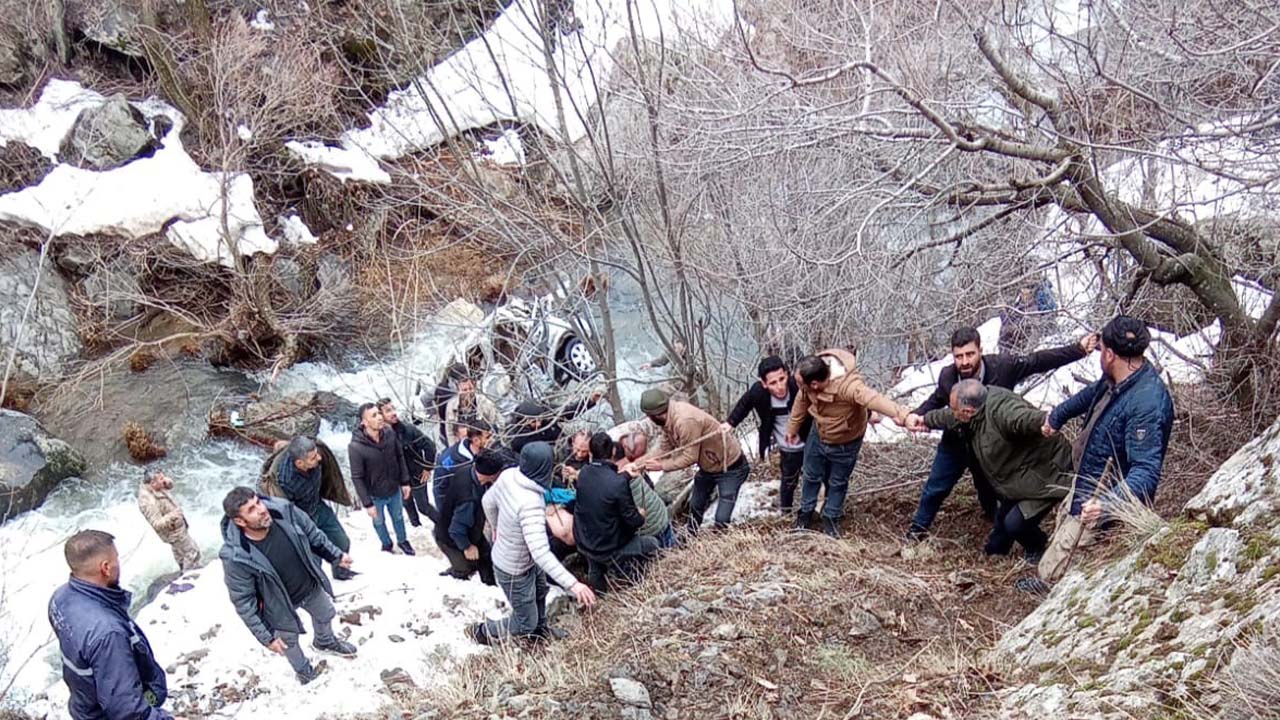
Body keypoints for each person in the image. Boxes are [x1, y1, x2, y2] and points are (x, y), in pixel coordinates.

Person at [1024, 316, 1174, 593]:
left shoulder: (1147, 402)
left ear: (1109, 354)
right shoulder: (1116, 379)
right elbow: (1087, 396)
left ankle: (1051, 597)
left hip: (1105, 496)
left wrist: (1106, 504)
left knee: (1069, 555)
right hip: (1088, 479)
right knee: (1062, 531)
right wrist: (1056, 417)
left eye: (1100, 349)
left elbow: (1146, 470)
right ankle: (1047, 582)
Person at [906, 326, 1096, 540]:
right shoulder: (948, 376)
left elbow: (1037, 361)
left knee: (990, 489)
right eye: (958, 357)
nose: (964, 362)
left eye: (970, 354)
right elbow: (938, 400)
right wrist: (918, 415)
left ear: (980, 350)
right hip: (958, 439)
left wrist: (1078, 350)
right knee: (936, 486)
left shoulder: (1002, 367)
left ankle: (1000, 532)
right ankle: (916, 532)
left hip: (994, 444)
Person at [916, 381, 1070, 562]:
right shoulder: (973, 412)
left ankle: (1037, 548)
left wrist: (1046, 421)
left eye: (955, 409)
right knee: (996, 544)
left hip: (1046, 474)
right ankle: (997, 554)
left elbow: (1023, 419)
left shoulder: (1001, 412)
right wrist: (923, 419)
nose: (953, 412)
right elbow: (947, 417)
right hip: (1018, 479)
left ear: (967, 411)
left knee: (1014, 524)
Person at [220, 487, 357, 685]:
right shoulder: (236, 556)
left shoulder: (283, 511)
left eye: (258, 502)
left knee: (326, 614)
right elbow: (243, 600)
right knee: (288, 643)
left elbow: (312, 534)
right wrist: (267, 638)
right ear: (240, 522)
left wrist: (335, 556)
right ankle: (303, 670)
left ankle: (324, 641)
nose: (261, 509)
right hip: (277, 606)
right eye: (251, 509)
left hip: (307, 585)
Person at [471, 442, 597, 645]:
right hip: (514, 568)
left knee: (540, 593)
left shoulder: (509, 475)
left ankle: (540, 633)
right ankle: (483, 631)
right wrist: (573, 584)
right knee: (524, 622)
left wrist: (495, 528)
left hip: (523, 557)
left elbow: (488, 501)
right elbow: (541, 553)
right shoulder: (530, 504)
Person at [49, 530, 182, 720]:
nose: (118, 564)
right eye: (116, 559)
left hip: (84, 704)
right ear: (105, 568)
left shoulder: (60, 598)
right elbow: (126, 710)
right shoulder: (108, 633)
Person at [786, 349, 913, 538]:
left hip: (846, 440)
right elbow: (800, 402)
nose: (797, 386)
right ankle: (805, 515)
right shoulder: (807, 386)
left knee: (837, 482)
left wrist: (903, 415)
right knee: (811, 477)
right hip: (819, 433)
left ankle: (831, 518)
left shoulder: (849, 387)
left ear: (815, 384)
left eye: (799, 383)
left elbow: (874, 399)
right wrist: (792, 428)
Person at [635, 389, 749, 535]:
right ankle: (691, 536)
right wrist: (638, 464)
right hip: (708, 468)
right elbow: (664, 448)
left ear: (654, 415)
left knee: (721, 519)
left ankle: (720, 543)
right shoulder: (668, 419)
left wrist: (662, 466)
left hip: (730, 467)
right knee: (696, 505)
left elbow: (689, 457)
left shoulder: (684, 421)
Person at [722, 356, 812, 513]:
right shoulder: (758, 393)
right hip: (788, 449)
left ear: (787, 374)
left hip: (810, 442)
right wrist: (730, 423)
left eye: (782, 379)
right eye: (773, 383)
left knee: (816, 477)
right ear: (764, 384)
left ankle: (813, 511)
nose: (780, 386)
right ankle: (786, 512)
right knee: (789, 482)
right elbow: (744, 405)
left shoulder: (798, 386)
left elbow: (828, 396)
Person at [574, 433, 660, 592]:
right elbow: (633, 520)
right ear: (613, 452)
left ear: (591, 453)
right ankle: (638, 584)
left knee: (595, 568)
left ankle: (599, 598)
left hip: (585, 541)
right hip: (609, 547)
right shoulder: (617, 484)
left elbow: (605, 483)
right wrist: (640, 515)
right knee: (652, 544)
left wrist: (625, 475)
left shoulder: (584, 472)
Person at [272, 437, 356, 580]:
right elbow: (287, 508)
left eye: (316, 454)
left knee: (342, 541)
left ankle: (341, 571)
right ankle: (318, 585)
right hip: (302, 517)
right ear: (299, 463)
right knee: (314, 556)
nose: (319, 458)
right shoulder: (286, 480)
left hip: (317, 505)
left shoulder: (312, 458)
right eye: (313, 458)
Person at [348, 402, 414, 555]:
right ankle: (386, 544)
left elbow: (399, 456)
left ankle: (403, 541)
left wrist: (405, 482)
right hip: (375, 494)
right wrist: (367, 503)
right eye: (374, 415)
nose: (379, 418)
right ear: (364, 422)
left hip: (394, 488)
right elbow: (357, 477)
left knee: (398, 516)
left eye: (379, 413)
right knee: (378, 521)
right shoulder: (356, 447)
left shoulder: (389, 433)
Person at [434, 450, 506, 584]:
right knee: (466, 567)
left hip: (471, 527)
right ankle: (455, 574)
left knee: (485, 555)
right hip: (450, 537)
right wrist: (467, 547)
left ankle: (489, 585)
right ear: (490, 475)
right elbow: (456, 529)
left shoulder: (468, 469)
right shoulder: (469, 498)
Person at [379, 397, 438, 527]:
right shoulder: (379, 436)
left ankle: (443, 525)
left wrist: (427, 467)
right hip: (398, 479)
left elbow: (430, 446)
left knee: (423, 507)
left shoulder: (408, 430)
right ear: (380, 416)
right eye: (388, 411)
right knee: (408, 505)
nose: (393, 413)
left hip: (416, 475)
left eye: (393, 409)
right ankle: (417, 527)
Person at [137, 469, 201, 572]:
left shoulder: (155, 485)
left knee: (180, 553)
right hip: (173, 532)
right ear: (153, 483)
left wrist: (167, 482)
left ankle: (183, 570)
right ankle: (189, 575)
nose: (164, 480)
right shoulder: (148, 502)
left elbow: (168, 486)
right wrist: (173, 515)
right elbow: (156, 523)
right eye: (161, 479)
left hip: (177, 527)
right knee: (193, 552)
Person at [507, 392, 603, 454]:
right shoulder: (518, 438)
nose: (538, 424)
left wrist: (590, 401)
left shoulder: (546, 412)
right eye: (533, 422)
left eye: (540, 420)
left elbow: (567, 411)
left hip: (563, 444)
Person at [433, 421, 494, 518]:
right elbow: (440, 489)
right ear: (476, 440)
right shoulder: (450, 461)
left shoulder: (487, 453)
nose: (491, 440)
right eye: (487, 438)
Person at [445, 375, 500, 443]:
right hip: (461, 445)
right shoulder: (451, 406)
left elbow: (496, 425)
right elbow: (449, 432)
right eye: (464, 390)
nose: (468, 392)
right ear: (458, 391)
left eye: (470, 389)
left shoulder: (485, 403)